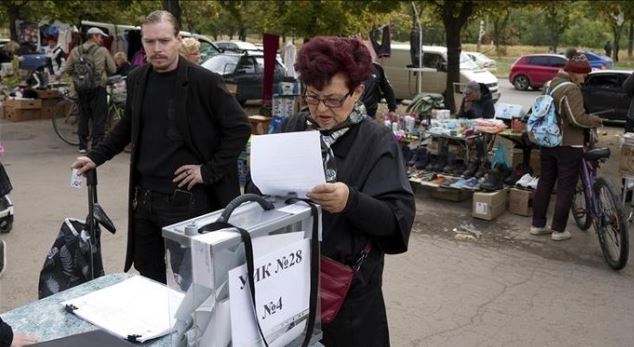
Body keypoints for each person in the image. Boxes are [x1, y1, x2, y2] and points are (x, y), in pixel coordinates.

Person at [70, 10, 250, 283]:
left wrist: (208, 171)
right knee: (148, 276)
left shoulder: (204, 81)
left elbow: (240, 127)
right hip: (144, 201)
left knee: (190, 280)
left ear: (178, 39)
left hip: (186, 203)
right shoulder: (138, 78)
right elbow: (128, 126)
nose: (157, 48)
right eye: (149, 41)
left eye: (164, 41)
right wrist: (96, 156)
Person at [280, 36, 414, 346]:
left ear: (357, 93)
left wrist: (350, 202)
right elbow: (259, 191)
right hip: (290, 282)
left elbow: (396, 222)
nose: (321, 109)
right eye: (312, 97)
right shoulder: (293, 126)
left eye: (333, 99)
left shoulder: (377, 141)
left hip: (349, 295)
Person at [531, 54, 603, 241]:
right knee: (566, 187)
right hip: (568, 144)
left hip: (547, 141)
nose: (585, 78)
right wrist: (595, 120)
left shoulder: (549, 84)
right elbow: (577, 119)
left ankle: (538, 225)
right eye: (583, 74)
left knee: (545, 182)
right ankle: (558, 230)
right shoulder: (571, 89)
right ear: (574, 73)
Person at [61, 27, 116, 153]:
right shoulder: (102, 51)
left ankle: (82, 145)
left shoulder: (75, 50)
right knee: (99, 116)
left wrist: (79, 76)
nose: (102, 39)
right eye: (100, 37)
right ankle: (97, 144)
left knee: (83, 115)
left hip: (80, 88)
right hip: (98, 87)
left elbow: (68, 69)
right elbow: (113, 69)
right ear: (94, 36)